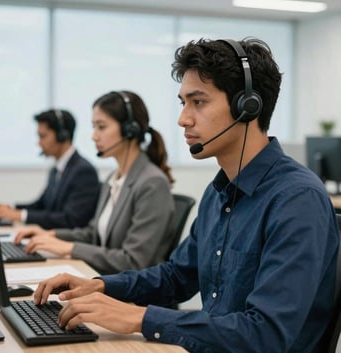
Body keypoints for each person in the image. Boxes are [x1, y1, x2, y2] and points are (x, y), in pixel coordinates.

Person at [33, 38, 340, 353]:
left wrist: (141, 318)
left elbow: (265, 335)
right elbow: (176, 276)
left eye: (199, 102)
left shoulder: (296, 200)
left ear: (248, 106)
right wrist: (100, 285)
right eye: (183, 103)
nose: (183, 119)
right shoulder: (219, 192)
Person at [14, 91, 175, 275]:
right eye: (93, 127)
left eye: (101, 127)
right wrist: (52, 235)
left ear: (130, 129)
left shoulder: (152, 184)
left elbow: (133, 261)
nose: (94, 136)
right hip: (106, 279)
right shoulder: (113, 179)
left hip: (132, 295)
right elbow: (93, 234)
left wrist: (69, 248)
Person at [0, 109, 100, 229]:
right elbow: (41, 205)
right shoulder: (56, 169)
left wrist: (19, 215)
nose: (39, 143)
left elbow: (71, 219)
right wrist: (11, 209)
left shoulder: (83, 171)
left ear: (62, 136)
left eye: (43, 136)